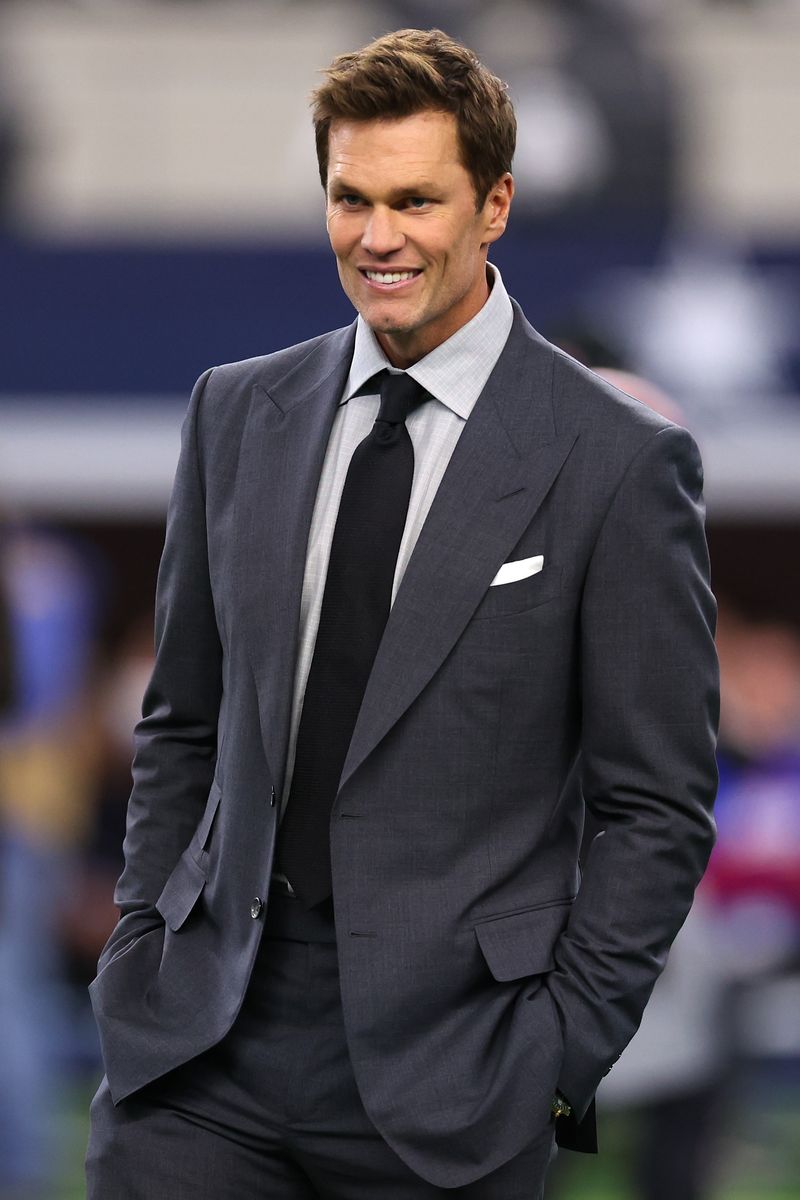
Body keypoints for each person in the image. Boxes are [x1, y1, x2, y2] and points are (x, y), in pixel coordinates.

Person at [85, 28, 719, 1199]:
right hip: (200, 1049)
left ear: (494, 207)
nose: (376, 237)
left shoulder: (618, 462)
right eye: (350, 198)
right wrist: (144, 944)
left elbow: (655, 803)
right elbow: (183, 720)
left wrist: (555, 1053)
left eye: (415, 199)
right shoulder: (235, 412)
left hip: (455, 1076)